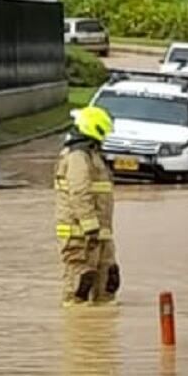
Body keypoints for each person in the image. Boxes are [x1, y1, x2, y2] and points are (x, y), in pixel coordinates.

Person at [54, 106, 119, 308]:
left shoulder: (92, 154)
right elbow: (79, 192)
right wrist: (89, 226)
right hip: (81, 232)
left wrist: (100, 230)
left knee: (108, 280)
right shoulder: (78, 157)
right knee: (80, 282)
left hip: (100, 231)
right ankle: (78, 322)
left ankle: (101, 321)